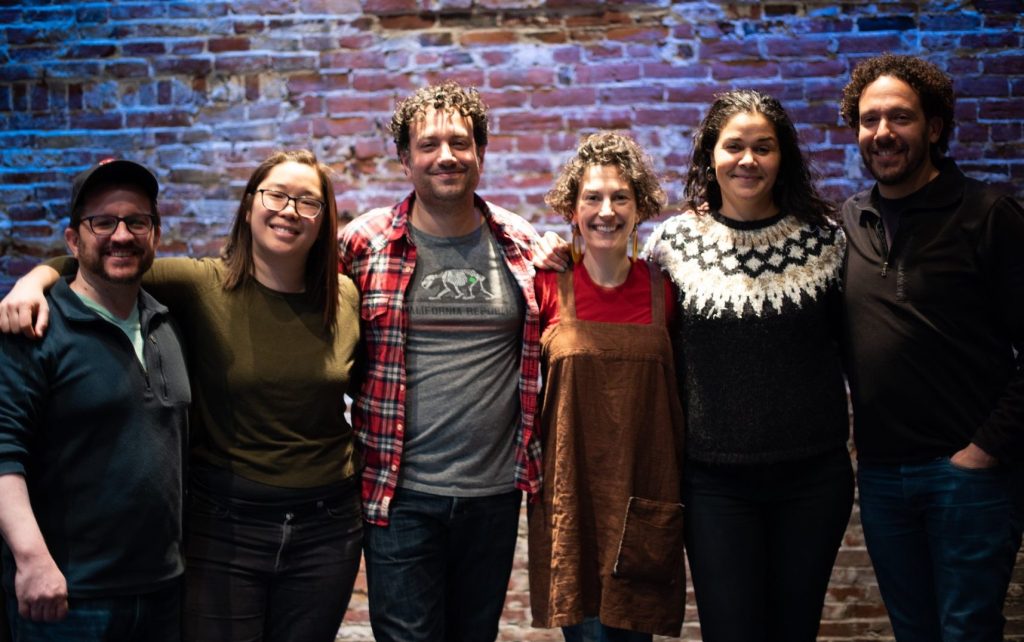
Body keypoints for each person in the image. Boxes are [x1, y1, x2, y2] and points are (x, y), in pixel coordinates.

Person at [0, 150, 363, 642]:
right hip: (214, 532)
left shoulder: (342, 297)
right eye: (276, 195)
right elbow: (95, 263)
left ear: (324, 219)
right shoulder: (198, 286)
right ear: (249, 206)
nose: (290, 210)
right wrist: (33, 280)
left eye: (308, 201)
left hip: (316, 529)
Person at [642, 90, 853, 641]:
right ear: (710, 154)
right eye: (734, 146)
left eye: (764, 147)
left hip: (812, 480)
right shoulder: (672, 245)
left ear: (783, 157)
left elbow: (857, 347)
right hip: (714, 484)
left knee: (794, 630)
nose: (748, 160)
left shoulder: (825, 241)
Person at [340, 80, 542, 642]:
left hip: (494, 495)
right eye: (428, 145)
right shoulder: (362, 244)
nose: (446, 156)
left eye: (459, 142)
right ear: (405, 159)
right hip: (399, 494)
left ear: (481, 152)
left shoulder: (521, 245)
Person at [839, 54, 1024, 641]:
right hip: (882, 477)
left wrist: (983, 452)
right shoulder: (850, 222)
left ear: (935, 127)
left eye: (901, 117)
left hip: (967, 476)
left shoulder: (987, 214)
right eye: (869, 120)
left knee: (967, 631)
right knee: (912, 632)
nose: (883, 132)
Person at [0, 159, 190, 641]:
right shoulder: (36, 328)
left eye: (137, 222)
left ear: (155, 234)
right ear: (73, 240)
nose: (121, 235)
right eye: (103, 222)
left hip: (162, 591)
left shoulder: (166, 324)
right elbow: (3, 452)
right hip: (66, 597)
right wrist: (32, 562)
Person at [528, 131, 685, 642]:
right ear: (572, 210)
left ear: (640, 208)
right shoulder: (546, 286)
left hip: (645, 498)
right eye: (592, 197)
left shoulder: (664, 290)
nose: (606, 211)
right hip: (573, 502)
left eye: (621, 197)